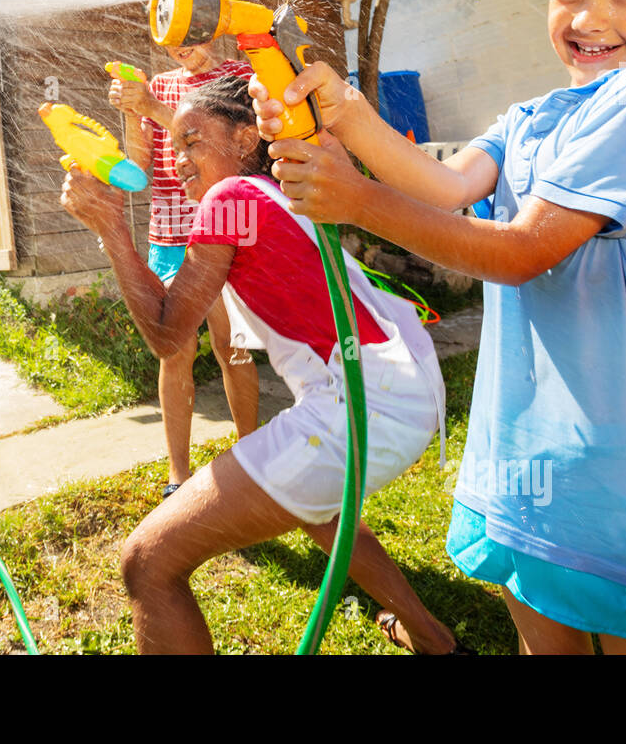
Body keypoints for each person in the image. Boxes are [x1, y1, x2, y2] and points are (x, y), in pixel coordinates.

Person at [251, 0, 626, 655]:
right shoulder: (536, 114)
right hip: (518, 456)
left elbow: (520, 253)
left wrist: (358, 200)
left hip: (613, 477)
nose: (589, 17)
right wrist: (345, 115)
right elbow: (445, 184)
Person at [64, 75, 460, 654]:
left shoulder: (229, 201)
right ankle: (432, 639)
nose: (177, 162)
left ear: (247, 136)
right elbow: (174, 316)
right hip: (400, 391)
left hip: (363, 407)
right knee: (314, 509)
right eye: (172, 148)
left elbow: (168, 334)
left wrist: (111, 229)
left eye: (192, 142)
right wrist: (115, 236)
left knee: (146, 562)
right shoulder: (275, 197)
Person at [107, 41, 259, 497]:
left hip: (223, 231)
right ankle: (178, 474)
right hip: (169, 237)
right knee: (175, 352)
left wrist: (151, 105)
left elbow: (213, 140)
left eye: (189, 41)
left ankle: (252, 459)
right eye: (172, 46)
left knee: (230, 345)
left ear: (211, 29)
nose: (181, 52)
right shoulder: (161, 86)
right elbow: (138, 168)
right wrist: (133, 111)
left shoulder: (236, 77)